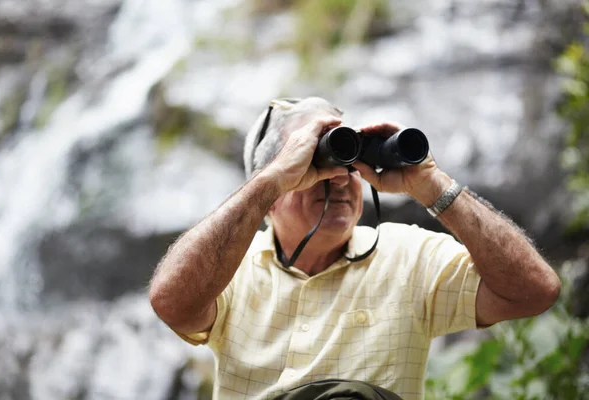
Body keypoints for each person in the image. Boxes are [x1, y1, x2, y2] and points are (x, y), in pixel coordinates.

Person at [148, 97, 561, 400]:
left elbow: (534, 291)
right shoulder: (232, 268)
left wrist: (431, 183)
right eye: (315, 163)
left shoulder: (408, 256)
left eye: (348, 161)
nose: (341, 178)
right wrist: (270, 179)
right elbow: (172, 303)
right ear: (270, 195)